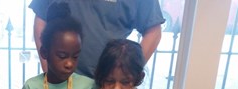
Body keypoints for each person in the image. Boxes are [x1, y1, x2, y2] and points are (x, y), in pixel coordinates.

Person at [30, 0, 164, 78]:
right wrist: (49, 70)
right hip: (62, 83)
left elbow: (154, 32)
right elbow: (41, 20)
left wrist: (125, 75)